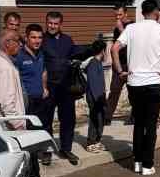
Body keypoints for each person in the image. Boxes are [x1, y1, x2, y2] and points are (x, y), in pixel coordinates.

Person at [113, 0, 160, 175]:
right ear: (157, 12)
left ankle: (137, 161)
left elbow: (114, 48)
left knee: (138, 123)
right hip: (154, 82)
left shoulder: (131, 28)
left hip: (135, 82)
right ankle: (147, 164)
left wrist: (120, 70)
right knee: (150, 124)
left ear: (142, 13)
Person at [38, 10, 82, 165]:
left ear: (60, 24)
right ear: (46, 22)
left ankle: (66, 149)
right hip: (48, 87)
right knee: (46, 120)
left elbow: (76, 55)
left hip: (66, 86)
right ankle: (46, 151)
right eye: (50, 23)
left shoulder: (67, 40)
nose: (52, 26)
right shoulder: (41, 40)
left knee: (68, 119)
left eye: (55, 23)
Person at [14, 24, 49, 121]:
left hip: (40, 99)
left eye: (40, 38)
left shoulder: (41, 54)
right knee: (27, 128)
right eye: (33, 37)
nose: (37, 41)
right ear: (26, 38)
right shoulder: (18, 55)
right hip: (25, 101)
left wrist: (44, 88)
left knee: (41, 126)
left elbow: (44, 71)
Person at [105, 4, 130, 125]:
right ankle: (107, 116)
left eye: (120, 15)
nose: (118, 17)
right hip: (118, 63)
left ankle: (135, 116)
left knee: (133, 92)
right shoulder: (116, 29)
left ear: (126, 14)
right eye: (116, 15)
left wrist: (121, 29)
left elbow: (131, 42)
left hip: (130, 63)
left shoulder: (132, 26)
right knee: (114, 90)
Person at [84, 38, 109, 151]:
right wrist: (98, 99)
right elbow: (93, 83)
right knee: (95, 119)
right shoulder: (93, 64)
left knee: (100, 120)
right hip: (95, 98)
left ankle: (97, 141)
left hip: (99, 97)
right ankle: (90, 143)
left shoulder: (97, 63)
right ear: (103, 51)